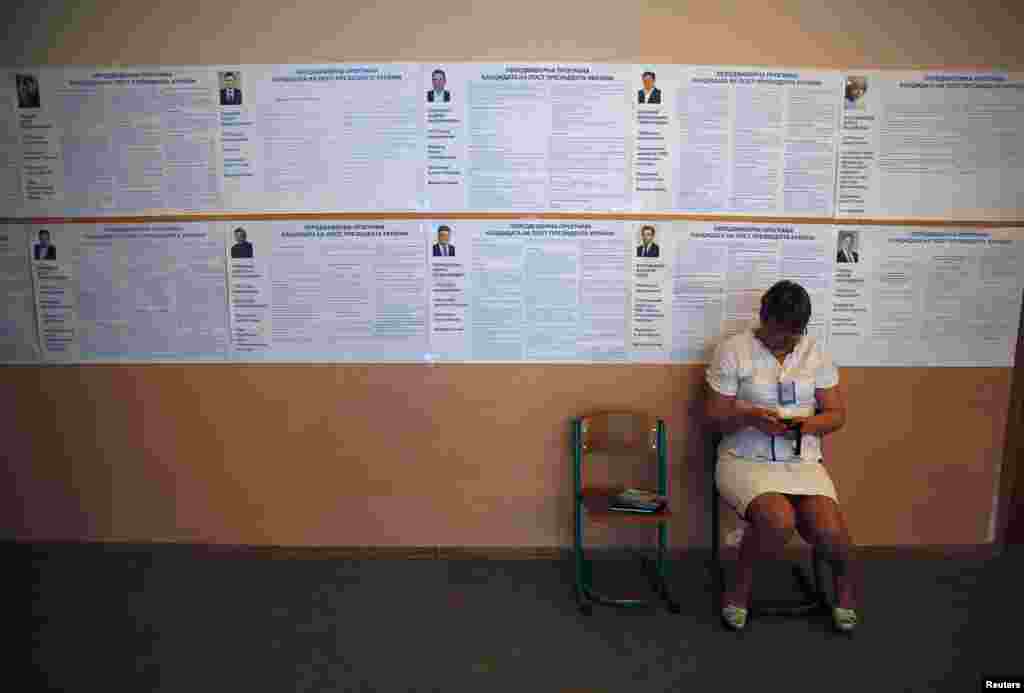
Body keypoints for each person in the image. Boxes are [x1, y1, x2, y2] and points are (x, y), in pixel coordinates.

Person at [705, 280, 859, 633]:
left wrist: (807, 424)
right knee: (778, 521)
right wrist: (751, 417)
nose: (785, 342)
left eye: (793, 335)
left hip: (801, 460)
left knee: (829, 529)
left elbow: (836, 414)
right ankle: (739, 589)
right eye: (778, 333)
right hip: (744, 458)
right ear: (764, 318)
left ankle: (845, 592)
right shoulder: (733, 351)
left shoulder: (815, 353)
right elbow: (713, 416)